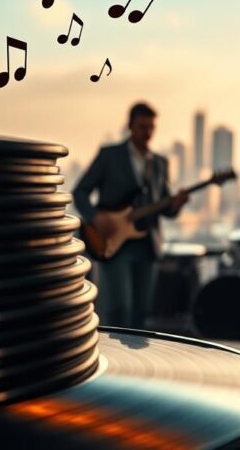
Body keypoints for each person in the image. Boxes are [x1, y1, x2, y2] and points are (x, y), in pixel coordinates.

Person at [73, 101, 189, 329]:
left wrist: (176, 204)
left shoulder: (159, 163)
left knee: (142, 311)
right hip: (114, 243)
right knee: (119, 308)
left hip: (148, 245)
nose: (147, 133)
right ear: (130, 126)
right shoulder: (109, 156)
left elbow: (165, 207)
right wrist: (96, 217)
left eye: (151, 128)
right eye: (142, 127)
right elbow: (80, 191)